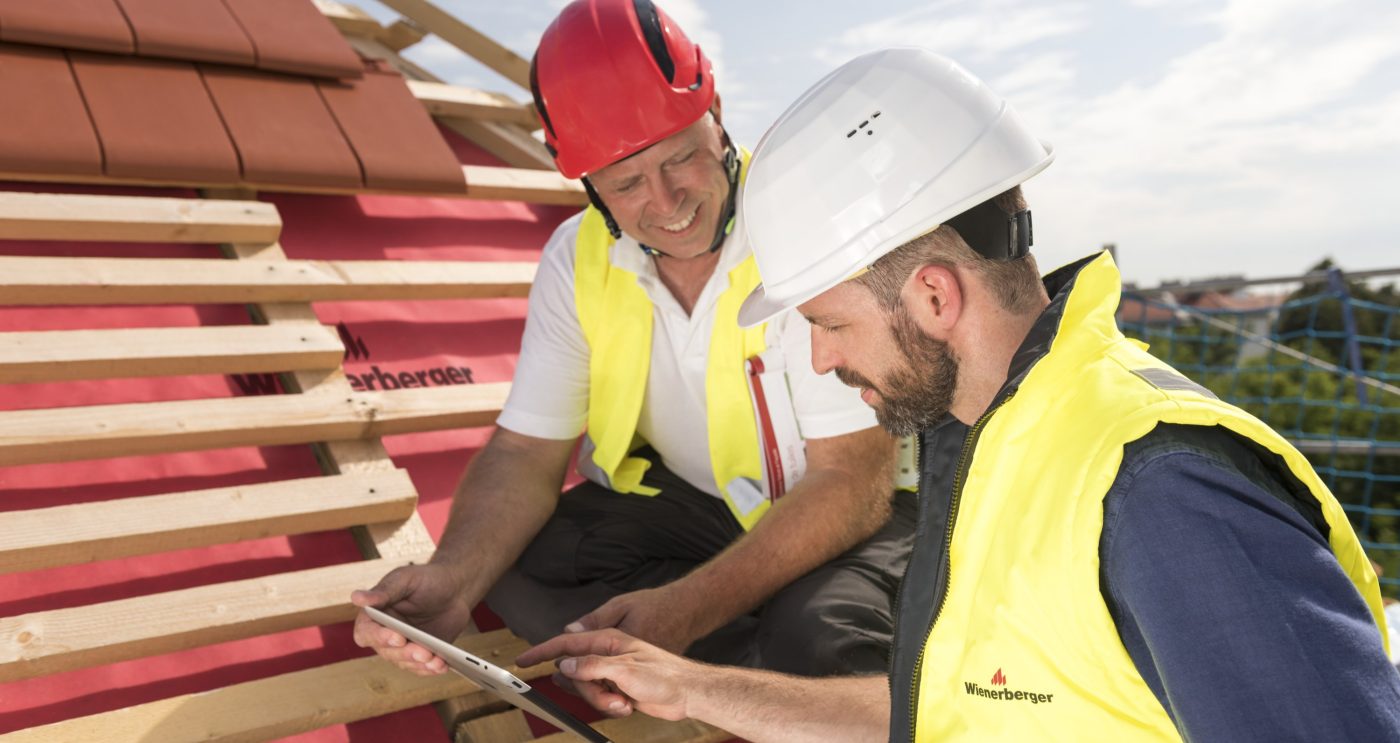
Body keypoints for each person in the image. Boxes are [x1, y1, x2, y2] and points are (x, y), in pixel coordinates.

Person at [518, 48, 1400, 742]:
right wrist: (692, 688)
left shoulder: (1157, 496)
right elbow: (963, 712)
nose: (818, 359)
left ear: (933, 297)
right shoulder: (999, 446)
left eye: (829, 321)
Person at [350, 0, 916, 679]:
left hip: (854, 514)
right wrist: (452, 577)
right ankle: (763, 673)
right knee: (516, 567)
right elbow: (526, 452)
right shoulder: (578, 257)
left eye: (682, 157)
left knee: (824, 636)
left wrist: (688, 608)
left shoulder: (804, 227)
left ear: (718, 116)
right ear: (588, 187)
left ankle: (774, 667)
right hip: (695, 510)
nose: (668, 201)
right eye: (626, 183)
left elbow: (851, 482)